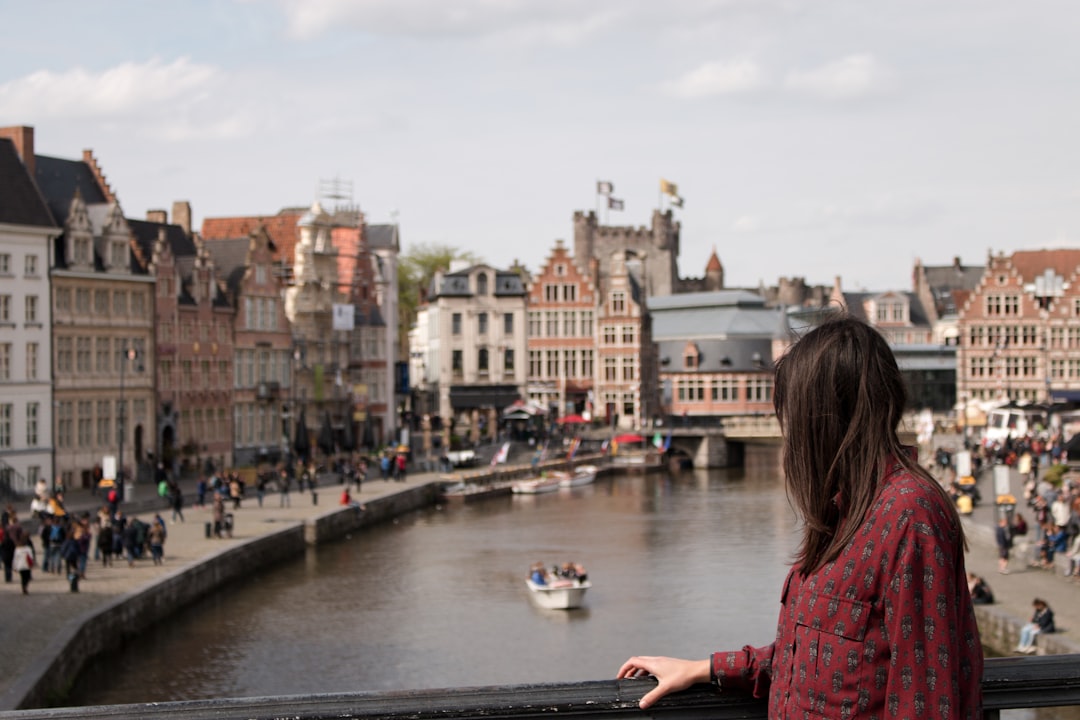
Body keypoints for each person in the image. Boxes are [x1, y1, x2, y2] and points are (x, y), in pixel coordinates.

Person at [617, 316, 983, 716]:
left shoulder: (910, 515)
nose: (788, 437)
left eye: (792, 417)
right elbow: (813, 655)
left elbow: (927, 698)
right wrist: (704, 668)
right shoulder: (846, 511)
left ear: (823, 419)